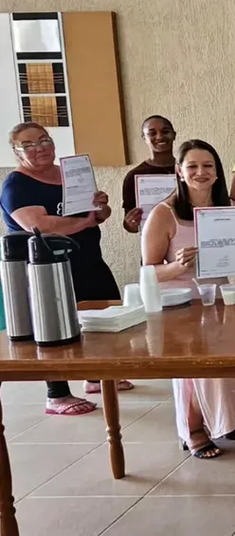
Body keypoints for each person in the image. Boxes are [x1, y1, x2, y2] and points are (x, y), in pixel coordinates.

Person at [140, 139, 235, 458]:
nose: (201, 172)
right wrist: (177, 266)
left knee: (226, 364)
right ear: (179, 171)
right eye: (192, 166)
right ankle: (194, 429)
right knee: (197, 371)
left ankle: (223, 422)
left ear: (217, 171)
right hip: (179, 304)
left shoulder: (232, 208)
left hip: (218, 298)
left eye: (208, 165)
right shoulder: (164, 214)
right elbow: (148, 271)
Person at [2, 122, 133, 415]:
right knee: (53, 329)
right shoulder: (16, 185)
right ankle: (57, 394)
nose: (40, 148)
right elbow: (39, 225)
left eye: (44, 140)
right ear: (17, 152)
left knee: (104, 314)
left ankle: (95, 375)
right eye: (28, 145)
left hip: (88, 259)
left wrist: (100, 208)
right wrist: (85, 222)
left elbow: (97, 214)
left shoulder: (69, 173)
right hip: (45, 271)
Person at [121, 115, 176, 233]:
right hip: (153, 239)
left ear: (174, 135)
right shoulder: (134, 176)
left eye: (165, 131)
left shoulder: (187, 170)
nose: (159, 137)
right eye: (152, 133)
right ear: (144, 138)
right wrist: (131, 223)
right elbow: (130, 227)